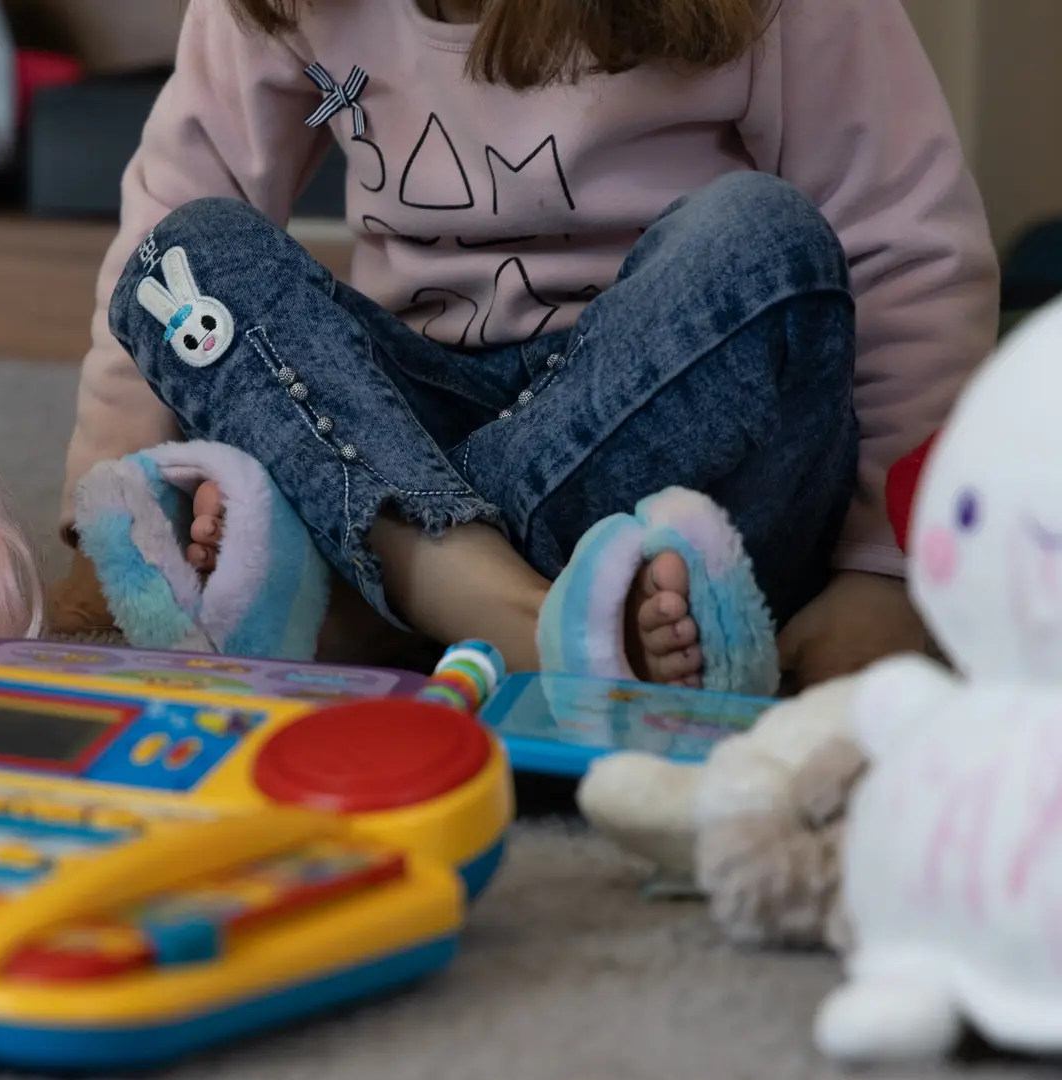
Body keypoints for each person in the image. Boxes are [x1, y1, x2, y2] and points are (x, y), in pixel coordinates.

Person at [52, 0, 998, 688]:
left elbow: (907, 253)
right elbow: (178, 205)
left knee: (764, 240)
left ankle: (379, 594)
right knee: (183, 256)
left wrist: (887, 569)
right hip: (410, 431)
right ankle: (491, 602)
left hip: (658, 448)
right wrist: (110, 520)